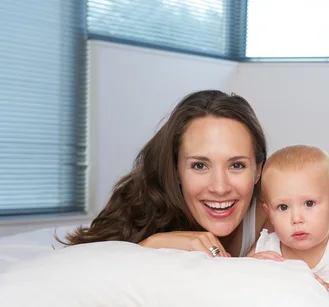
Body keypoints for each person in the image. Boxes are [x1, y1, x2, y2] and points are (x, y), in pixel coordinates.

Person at [63, 90, 270, 258]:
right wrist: (153, 243)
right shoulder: (142, 203)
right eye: (199, 166)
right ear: (176, 168)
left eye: (236, 166)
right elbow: (83, 263)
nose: (220, 187)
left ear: (258, 170)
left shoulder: (278, 211)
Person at [248, 145, 329, 286]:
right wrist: (250, 268)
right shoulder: (266, 247)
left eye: (309, 203)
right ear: (270, 214)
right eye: (283, 207)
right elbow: (238, 288)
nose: (297, 219)